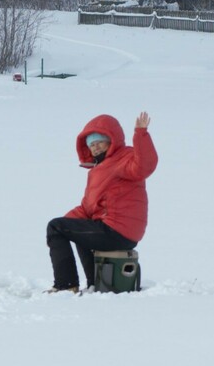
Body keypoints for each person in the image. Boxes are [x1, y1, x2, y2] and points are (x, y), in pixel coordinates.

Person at [46, 111, 157, 293]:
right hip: (117, 229)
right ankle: (94, 285)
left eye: (99, 142)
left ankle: (65, 286)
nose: (95, 148)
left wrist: (141, 134)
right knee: (72, 230)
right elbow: (88, 208)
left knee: (57, 227)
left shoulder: (124, 158)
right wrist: (65, 226)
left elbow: (143, 166)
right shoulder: (100, 170)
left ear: (111, 141)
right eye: (91, 145)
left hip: (117, 229)